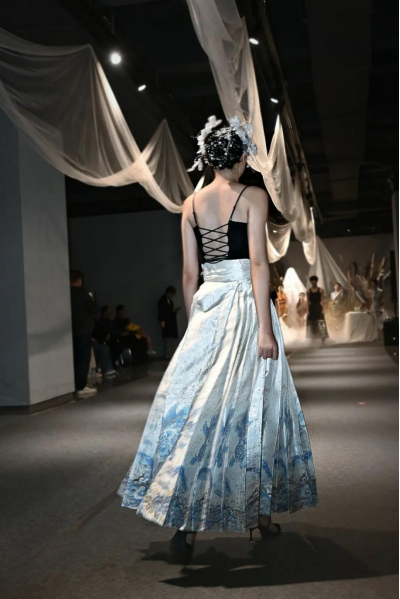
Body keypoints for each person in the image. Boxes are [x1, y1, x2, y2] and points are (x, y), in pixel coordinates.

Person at [118, 117, 318, 565]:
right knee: (253, 407)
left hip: (209, 307)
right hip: (245, 307)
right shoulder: (253, 196)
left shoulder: (190, 205)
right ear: (241, 157)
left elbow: (190, 274)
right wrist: (265, 328)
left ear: (208, 158)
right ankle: (257, 515)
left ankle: (189, 528)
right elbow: (258, 265)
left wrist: (197, 328)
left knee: (202, 412)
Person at [70, 270, 100, 397]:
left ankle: (71, 385)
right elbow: (95, 311)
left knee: (73, 358)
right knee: (83, 358)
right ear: (79, 280)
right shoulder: (83, 293)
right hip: (83, 330)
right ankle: (81, 386)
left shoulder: (65, 293)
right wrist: (93, 300)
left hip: (69, 330)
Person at [158, 287, 181, 359]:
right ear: (168, 293)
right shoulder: (162, 301)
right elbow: (162, 312)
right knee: (167, 337)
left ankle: (170, 352)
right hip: (166, 321)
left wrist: (174, 311)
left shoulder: (169, 301)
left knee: (171, 338)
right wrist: (172, 311)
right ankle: (168, 353)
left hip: (171, 321)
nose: (172, 296)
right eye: (171, 294)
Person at [307, 276, 329, 343]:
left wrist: (323, 309)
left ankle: (323, 340)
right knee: (312, 323)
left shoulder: (321, 290)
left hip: (318, 307)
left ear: (316, 281)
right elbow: (307, 301)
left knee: (321, 323)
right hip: (311, 307)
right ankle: (312, 339)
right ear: (311, 282)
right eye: (312, 281)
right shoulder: (308, 291)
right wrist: (307, 310)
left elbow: (322, 300)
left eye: (315, 280)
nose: (313, 282)